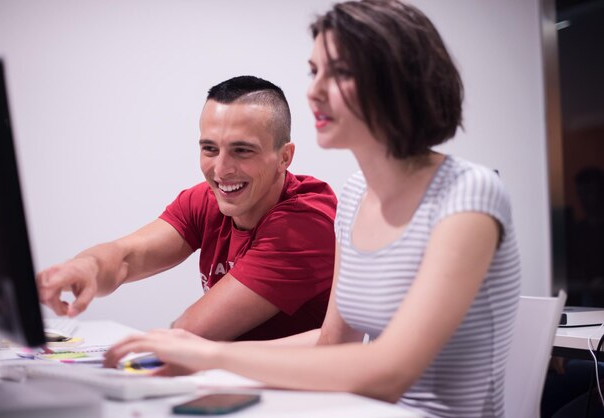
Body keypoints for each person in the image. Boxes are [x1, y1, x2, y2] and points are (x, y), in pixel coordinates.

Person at [104, 1, 522, 416]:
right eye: (314, 70)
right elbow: (334, 345)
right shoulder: (357, 193)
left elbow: (390, 372)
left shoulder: (470, 193)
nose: (313, 91)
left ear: (399, 81)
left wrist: (213, 358)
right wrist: (199, 354)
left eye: (339, 73)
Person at [38, 75, 337, 341]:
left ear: (284, 158)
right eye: (210, 148)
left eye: (242, 150)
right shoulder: (207, 200)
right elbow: (127, 258)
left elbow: (189, 333)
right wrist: (85, 267)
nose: (221, 170)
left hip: (307, 399)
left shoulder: (306, 222)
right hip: (234, 385)